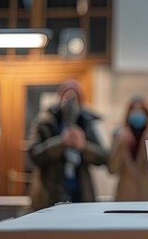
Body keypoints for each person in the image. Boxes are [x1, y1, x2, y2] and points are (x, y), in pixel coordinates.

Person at [28, 79, 107, 211]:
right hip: (49, 194)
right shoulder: (45, 122)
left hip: (80, 194)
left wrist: (83, 146)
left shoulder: (87, 123)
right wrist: (61, 143)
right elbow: (34, 154)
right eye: (66, 96)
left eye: (75, 96)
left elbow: (102, 157)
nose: (70, 100)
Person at [108, 96, 148, 201]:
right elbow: (112, 169)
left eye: (141, 111)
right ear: (128, 114)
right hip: (125, 197)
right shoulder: (118, 136)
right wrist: (121, 145)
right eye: (134, 110)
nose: (137, 114)